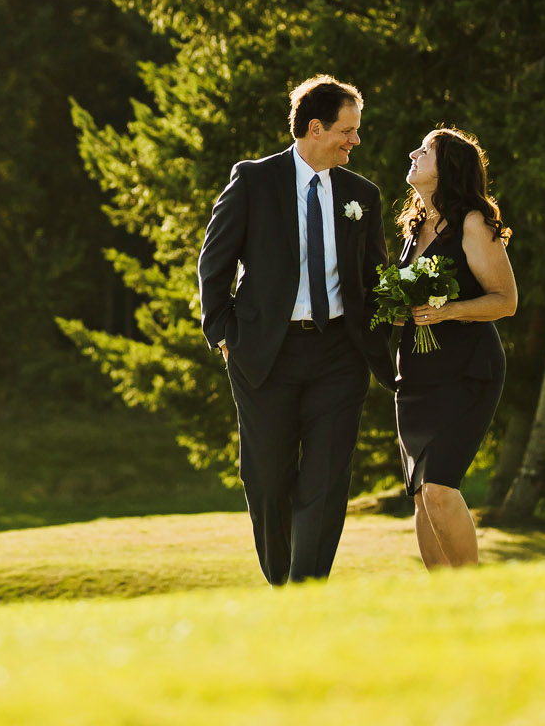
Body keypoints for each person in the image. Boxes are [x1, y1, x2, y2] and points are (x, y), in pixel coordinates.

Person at [197, 75, 396, 585]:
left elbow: (373, 277)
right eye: (348, 130)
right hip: (266, 353)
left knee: (327, 479)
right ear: (315, 127)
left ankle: (307, 589)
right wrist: (223, 334)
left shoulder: (362, 195)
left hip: (339, 354)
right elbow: (214, 265)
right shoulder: (254, 181)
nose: (355, 141)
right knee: (266, 479)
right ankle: (280, 580)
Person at [393, 127, 517, 569]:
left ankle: (475, 597)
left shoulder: (472, 222)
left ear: (448, 169)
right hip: (415, 377)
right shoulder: (416, 224)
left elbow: (506, 300)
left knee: (441, 489)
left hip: (467, 373)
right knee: (424, 498)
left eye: (424, 150)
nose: (413, 153)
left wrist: (447, 312)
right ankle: (443, 607)